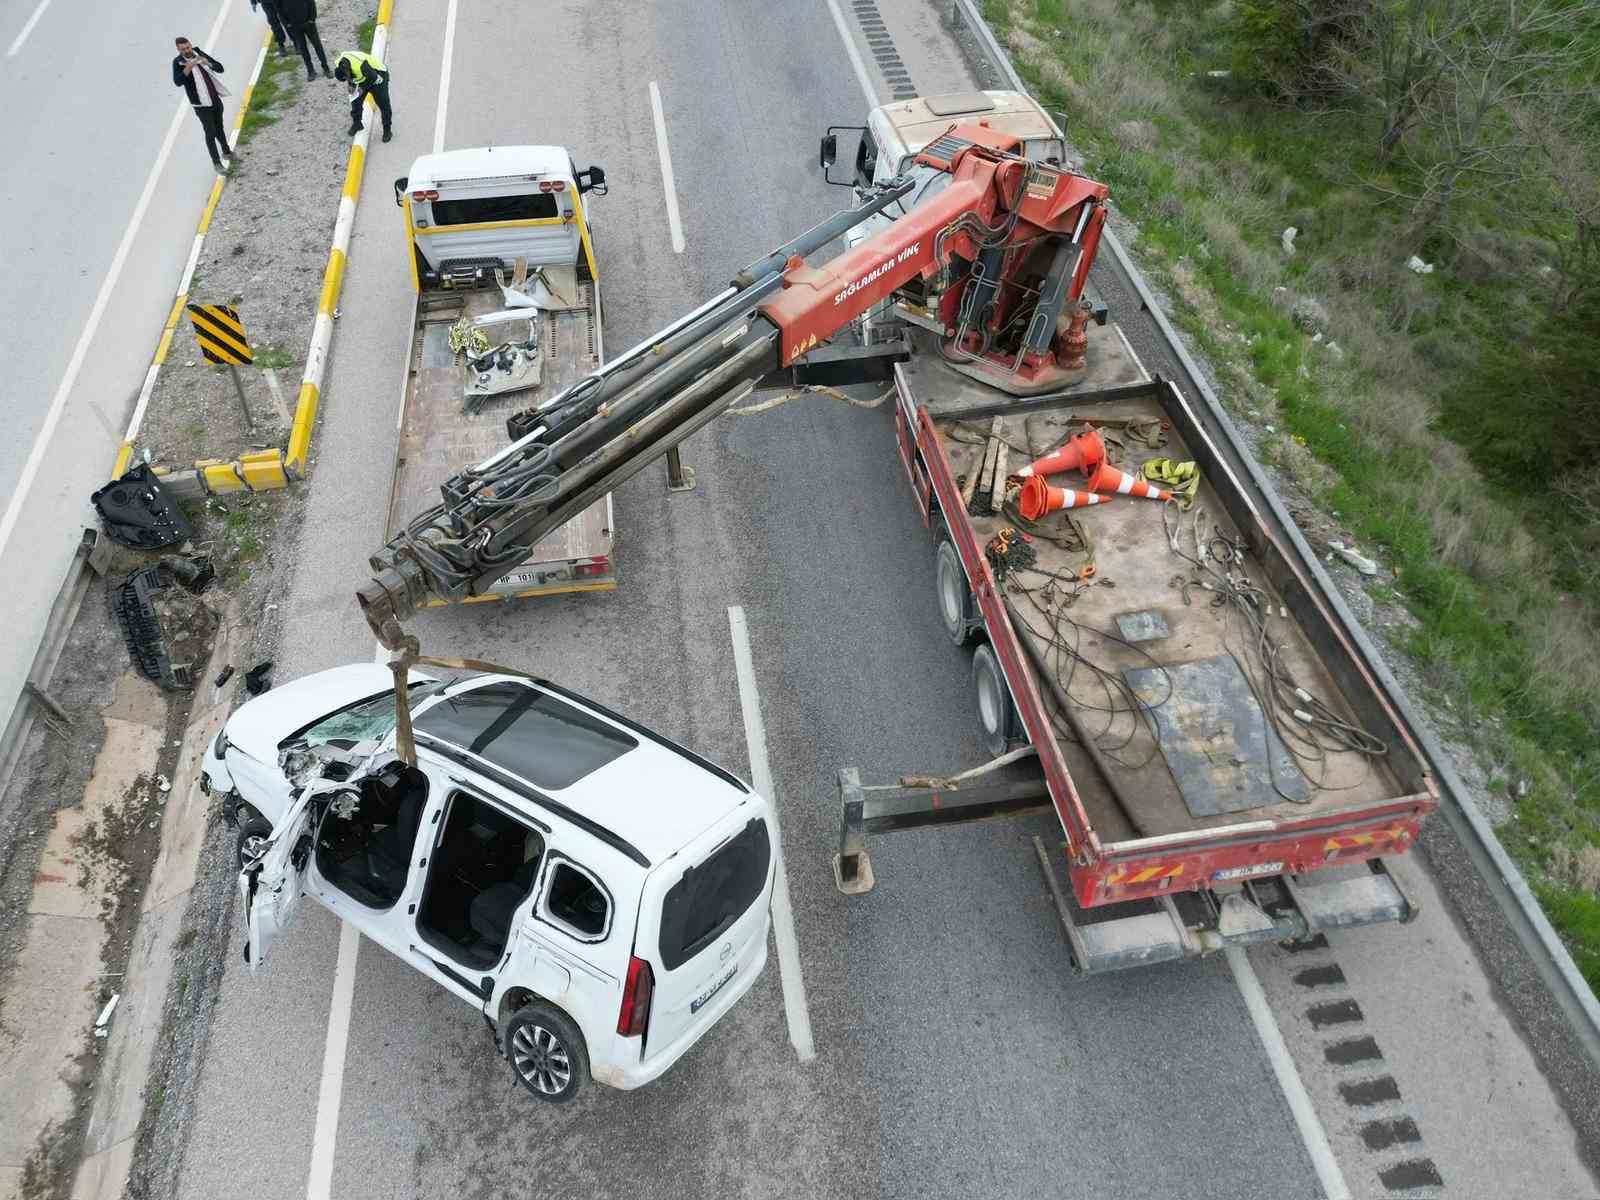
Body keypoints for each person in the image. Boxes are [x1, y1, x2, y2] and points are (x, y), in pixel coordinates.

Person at [172, 37, 233, 174]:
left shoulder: (198, 52)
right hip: (200, 104)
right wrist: (188, 67)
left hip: (214, 98)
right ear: (178, 49)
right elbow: (178, 82)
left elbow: (220, 68)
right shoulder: (178, 62)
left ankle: (227, 152)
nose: (187, 51)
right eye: (183, 49)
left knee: (219, 127)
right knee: (210, 131)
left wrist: (207, 63)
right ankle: (217, 163)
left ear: (190, 45)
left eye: (188, 47)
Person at [333, 50, 391, 143]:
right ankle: (357, 124)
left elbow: (373, 77)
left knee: (384, 104)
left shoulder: (360, 66)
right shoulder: (340, 64)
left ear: (347, 71)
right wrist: (351, 85)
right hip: (363, 77)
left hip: (377, 75)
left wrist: (361, 89)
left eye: (346, 77)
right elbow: (349, 76)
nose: (347, 79)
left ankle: (387, 130)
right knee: (355, 101)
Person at [278, 0, 332, 80]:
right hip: (294, 26)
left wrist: (312, 19)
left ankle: (326, 69)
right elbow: (279, 9)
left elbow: (311, 3)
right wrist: (287, 24)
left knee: (317, 45)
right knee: (303, 49)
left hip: (309, 23)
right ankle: (310, 71)